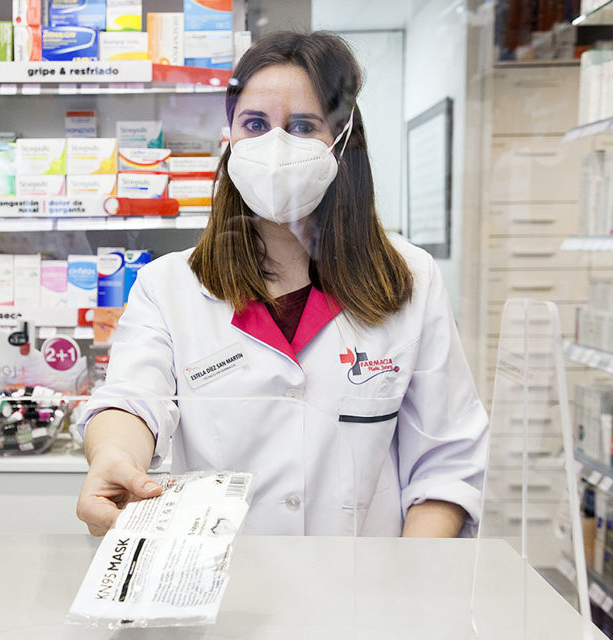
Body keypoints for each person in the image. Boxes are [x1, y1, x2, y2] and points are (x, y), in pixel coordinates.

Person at [75, 31, 489, 538]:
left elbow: (447, 462)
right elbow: (132, 399)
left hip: (364, 579)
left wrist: (404, 577)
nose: (274, 146)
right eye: (254, 124)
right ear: (231, 139)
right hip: (224, 576)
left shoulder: (409, 278)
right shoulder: (169, 287)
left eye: (302, 126)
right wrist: (113, 455)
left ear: (342, 140)